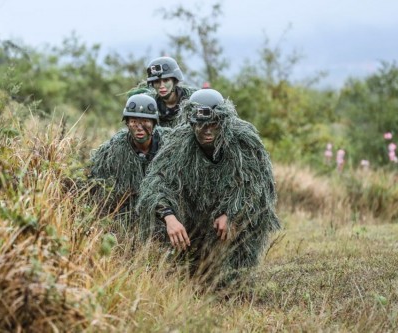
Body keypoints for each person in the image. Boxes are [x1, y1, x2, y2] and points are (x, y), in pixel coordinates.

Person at [137, 88, 280, 289]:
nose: (207, 131)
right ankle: (179, 263)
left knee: (227, 285)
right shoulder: (180, 143)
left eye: (213, 124)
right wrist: (169, 217)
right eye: (201, 125)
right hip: (197, 216)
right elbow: (157, 181)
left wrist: (233, 215)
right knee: (193, 279)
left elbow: (256, 187)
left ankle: (234, 270)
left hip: (235, 217)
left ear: (223, 122)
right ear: (192, 123)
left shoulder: (243, 142)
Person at [89, 93, 168, 224]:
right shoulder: (113, 150)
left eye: (145, 122)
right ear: (127, 123)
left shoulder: (168, 146)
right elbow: (96, 183)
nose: (139, 127)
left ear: (154, 123)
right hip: (128, 215)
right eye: (134, 122)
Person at [145, 56, 197, 127]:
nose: (161, 86)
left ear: (175, 81)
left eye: (166, 80)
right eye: (157, 81)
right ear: (153, 84)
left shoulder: (193, 102)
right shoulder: (149, 105)